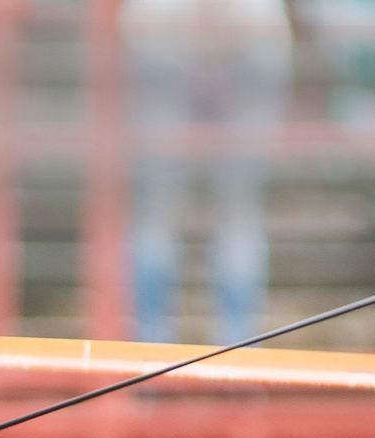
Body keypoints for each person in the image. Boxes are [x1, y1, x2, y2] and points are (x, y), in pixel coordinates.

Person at [122, 0, 296, 345]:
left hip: (247, 61)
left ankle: (238, 343)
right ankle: (150, 341)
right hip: (164, 59)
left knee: (236, 211)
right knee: (159, 210)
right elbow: (136, 31)